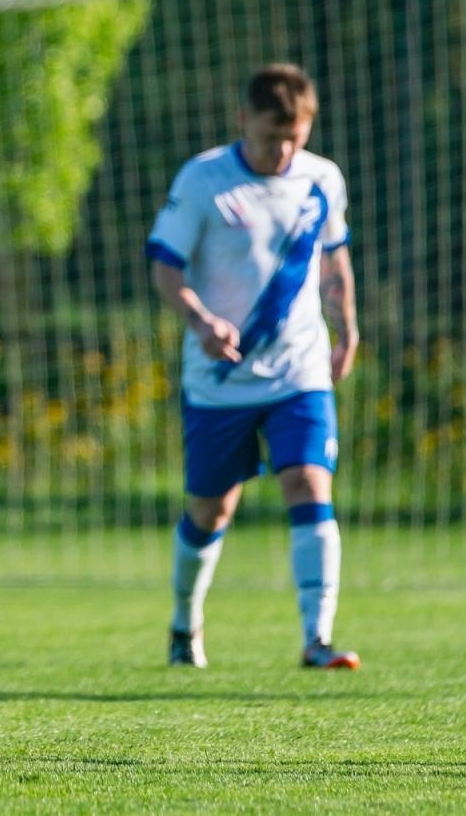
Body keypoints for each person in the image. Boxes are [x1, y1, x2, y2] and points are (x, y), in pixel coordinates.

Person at [145, 63, 361, 671]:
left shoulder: (322, 179)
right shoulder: (205, 179)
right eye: (272, 136)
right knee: (211, 510)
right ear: (244, 121)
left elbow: (334, 262)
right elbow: (165, 266)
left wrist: (347, 330)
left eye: (296, 136)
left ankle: (317, 639)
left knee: (309, 482)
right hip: (220, 380)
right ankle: (185, 625)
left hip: (299, 371)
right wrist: (201, 322)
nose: (284, 149)